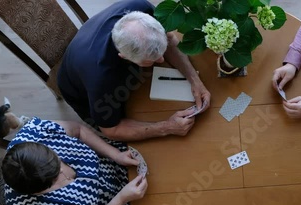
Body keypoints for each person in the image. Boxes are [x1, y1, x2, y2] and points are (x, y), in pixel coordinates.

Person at [58, 0, 211, 141]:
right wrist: (167, 127)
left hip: (88, 42)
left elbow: (170, 39)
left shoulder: (140, 7)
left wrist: (194, 80)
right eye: (151, 60)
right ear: (123, 56)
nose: (162, 61)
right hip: (80, 90)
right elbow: (111, 129)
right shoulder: (102, 80)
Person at [1, 117, 148, 205]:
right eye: (56, 178)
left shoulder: (36, 132)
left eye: (56, 160)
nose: (64, 173)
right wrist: (121, 199)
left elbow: (78, 130)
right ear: (37, 192)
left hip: (110, 163)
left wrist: (115, 154)